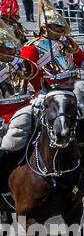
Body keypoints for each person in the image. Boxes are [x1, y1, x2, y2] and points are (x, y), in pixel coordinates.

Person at [19, 0, 84, 111]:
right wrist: (39, 90)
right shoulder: (31, 47)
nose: (61, 28)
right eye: (57, 26)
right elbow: (31, 72)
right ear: (45, 27)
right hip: (48, 88)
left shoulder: (67, 41)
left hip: (73, 84)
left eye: (61, 25)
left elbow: (79, 56)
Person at [0, 22, 37, 160]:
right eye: (7, 48)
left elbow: (37, 81)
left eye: (12, 47)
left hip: (26, 106)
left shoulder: (21, 63)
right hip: (2, 112)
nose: (12, 51)